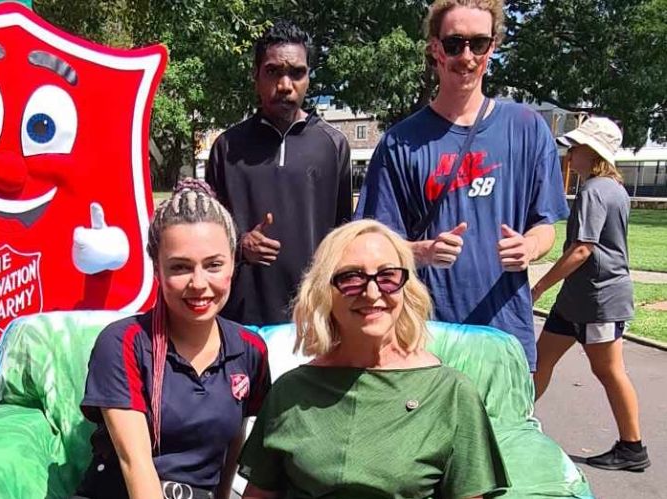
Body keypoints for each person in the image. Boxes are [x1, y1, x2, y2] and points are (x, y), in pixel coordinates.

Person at [354, 0, 569, 370]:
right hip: (422, 335)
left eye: (478, 43)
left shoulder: (527, 128)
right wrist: (421, 252)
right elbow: (371, 245)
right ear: (435, 48)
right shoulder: (400, 142)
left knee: (501, 430)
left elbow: (546, 225)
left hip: (504, 334)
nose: (466, 56)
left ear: (493, 47)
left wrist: (529, 247)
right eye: (454, 44)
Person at [237, 219, 508, 498]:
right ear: (323, 290)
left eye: (388, 276)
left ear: (406, 287)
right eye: (351, 278)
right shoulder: (290, 391)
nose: (372, 292)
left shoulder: (450, 393)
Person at [80, 179, 271, 499]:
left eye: (213, 265)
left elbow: (232, 441)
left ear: (233, 263)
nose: (199, 283)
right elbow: (134, 464)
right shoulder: (123, 343)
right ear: (157, 270)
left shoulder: (249, 351)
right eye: (180, 267)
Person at [206, 19, 352, 327]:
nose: (285, 85)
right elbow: (206, 237)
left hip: (312, 319)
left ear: (309, 78)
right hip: (238, 321)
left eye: (296, 73)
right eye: (273, 71)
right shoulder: (226, 148)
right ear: (256, 77)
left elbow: (343, 238)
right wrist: (240, 245)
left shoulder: (332, 145)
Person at [531, 117, 650, 472]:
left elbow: (582, 249)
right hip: (575, 301)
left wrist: (538, 287)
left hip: (600, 301)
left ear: (593, 152)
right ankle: (510, 421)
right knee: (539, 360)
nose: (570, 153)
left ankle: (632, 447)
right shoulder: (612, 189)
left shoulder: (596, 190)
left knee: (609, 371)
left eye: (577, 147)